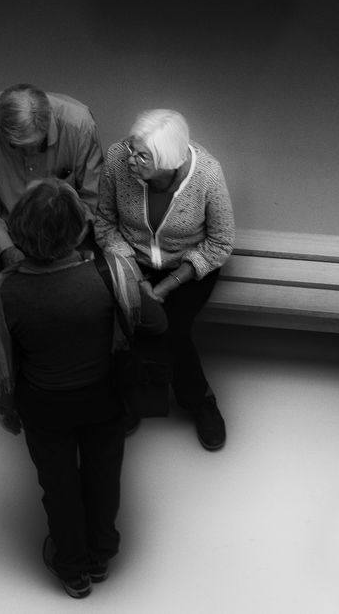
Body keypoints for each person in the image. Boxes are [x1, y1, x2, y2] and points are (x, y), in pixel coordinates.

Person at [0, 179, 166, 598]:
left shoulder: (2, 292)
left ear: (16, 231)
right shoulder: (112, 273)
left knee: (58, 485)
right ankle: (101, 555)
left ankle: (73, 570)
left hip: (43, 407)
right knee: (104, 476)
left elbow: (1, 359)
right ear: (80, 231)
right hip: (104, 397)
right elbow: (157, 325)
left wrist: (8, 407)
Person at [94, 109, 235, 451]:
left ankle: (199, 399)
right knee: (117, 322)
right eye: (132, 147)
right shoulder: (116, 160)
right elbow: (104, 224)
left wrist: (167, 285)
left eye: (142, 156)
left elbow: (220, 242)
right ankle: (132, 395)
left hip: (190, 266)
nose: (130, 159)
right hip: (131, 260)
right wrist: (136, 278)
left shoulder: (207, 175)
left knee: (171, 330)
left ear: (169, 162)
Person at [0, 83, 104, 389]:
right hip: (6, 222)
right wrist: (7, 249)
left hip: (65, 227)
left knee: (90, 301)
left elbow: (92, 197)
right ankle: (2, 351)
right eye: (18, 148)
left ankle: (50, 356)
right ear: (0, 128)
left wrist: (64, 247)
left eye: (36, 146)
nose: (29, 154)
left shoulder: (79, 122)